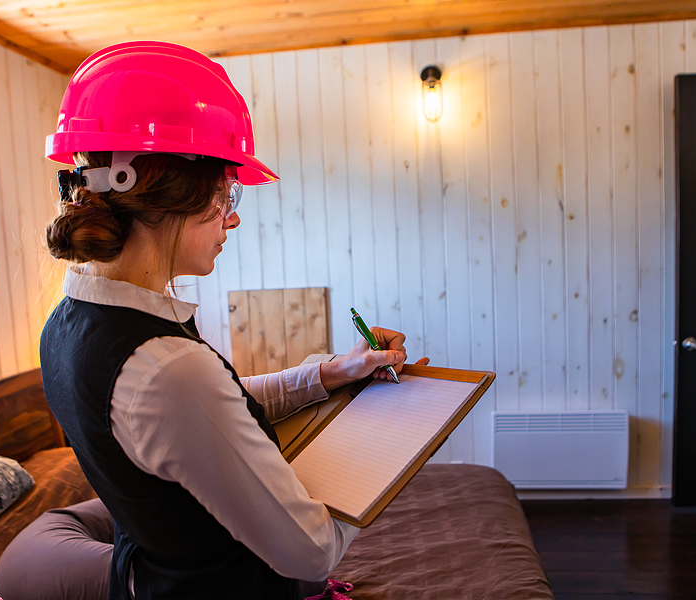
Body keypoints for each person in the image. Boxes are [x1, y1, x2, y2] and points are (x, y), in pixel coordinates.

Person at [39, 41, 427, 600]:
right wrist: (391, 451)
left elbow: (213, 414)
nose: (234, 217)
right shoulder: (165, 368)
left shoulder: (68, 324)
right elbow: (312, 550)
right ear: (169, 195)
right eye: (226, 194)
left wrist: (330, 374)